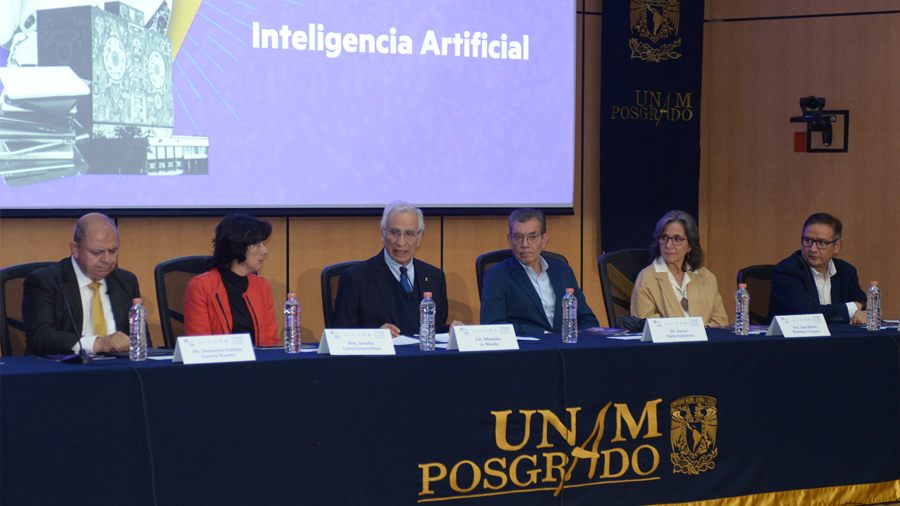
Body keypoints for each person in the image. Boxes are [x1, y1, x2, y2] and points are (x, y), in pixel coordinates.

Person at [22, 213, 148, 355]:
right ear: (75, 249)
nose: (107, 260)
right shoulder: (46, 282)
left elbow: (141, 339)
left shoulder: (126, 281)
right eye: (97, 252)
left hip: (119, 365)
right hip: (66, 364)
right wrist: (97, 344)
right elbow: (41, 337)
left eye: (113, 251)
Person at [333, 201, 461, 336]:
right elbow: (341, 336)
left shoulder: (435, 277)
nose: (401, 242)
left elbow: (435, 330)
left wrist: (455, 331)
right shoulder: (356, 278)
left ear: (420, 238)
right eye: (394, 232)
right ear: (383, 234)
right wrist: (376, 336)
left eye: (409, 234)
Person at [480, 208, 599, 335]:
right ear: (510, 240)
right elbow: (492, 325)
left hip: (566, 344)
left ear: (544, 239)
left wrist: (579, 339)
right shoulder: (497, 275)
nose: (525, 244)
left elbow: (587, 319)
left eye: (532, 237)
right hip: (528, 345)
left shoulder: (563, 272)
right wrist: (544, 334)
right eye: (518, 237)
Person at [184, 214, 279, 346]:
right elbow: (201, 345)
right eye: (257, 244)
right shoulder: (201, 286)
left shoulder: (262, 286)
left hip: (258, 359)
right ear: (237, 246)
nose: (265, 250)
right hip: (219, 358)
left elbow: (270, 341)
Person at [631, 210, 728, 326]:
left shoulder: (707, 277)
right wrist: (689, 331)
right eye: (664, 237)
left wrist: (698, 334)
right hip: (666, 339)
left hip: (705, 338)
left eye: (677, 239)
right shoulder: (646, 278)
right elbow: (644, 324)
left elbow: (721, 322)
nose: (668, 245)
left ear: (690, 246)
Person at [768, 213, 867, 325]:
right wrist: (854, 308)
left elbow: (865, 303)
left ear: (837, 246)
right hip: (796, 335)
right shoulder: (786, 272)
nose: (813, 249)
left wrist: (864, 313)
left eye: (822, 242)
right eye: (808, 241)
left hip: (838, 335)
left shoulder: (846, 271)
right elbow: (809, 314)